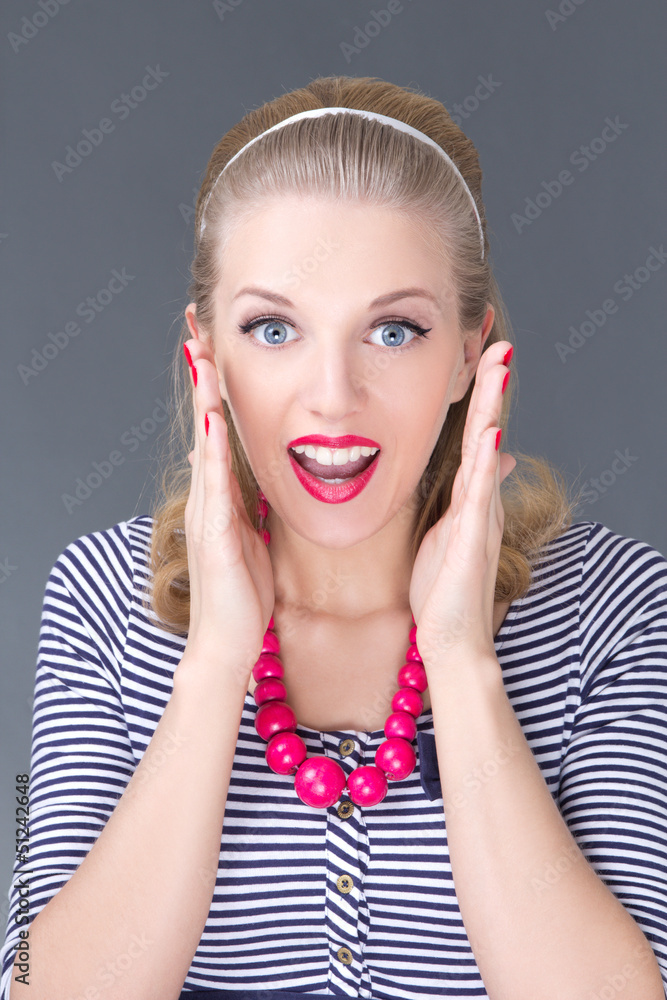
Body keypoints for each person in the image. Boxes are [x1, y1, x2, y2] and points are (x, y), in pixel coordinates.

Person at [2, 74, 666, 1000]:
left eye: (392, 331)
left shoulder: (615, 608)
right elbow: (42, 987)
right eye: (273, 328)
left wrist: (460, 660)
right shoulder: (98, 597)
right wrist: (217, 660)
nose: (331, 397)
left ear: (466, 355)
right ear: (206, 356)